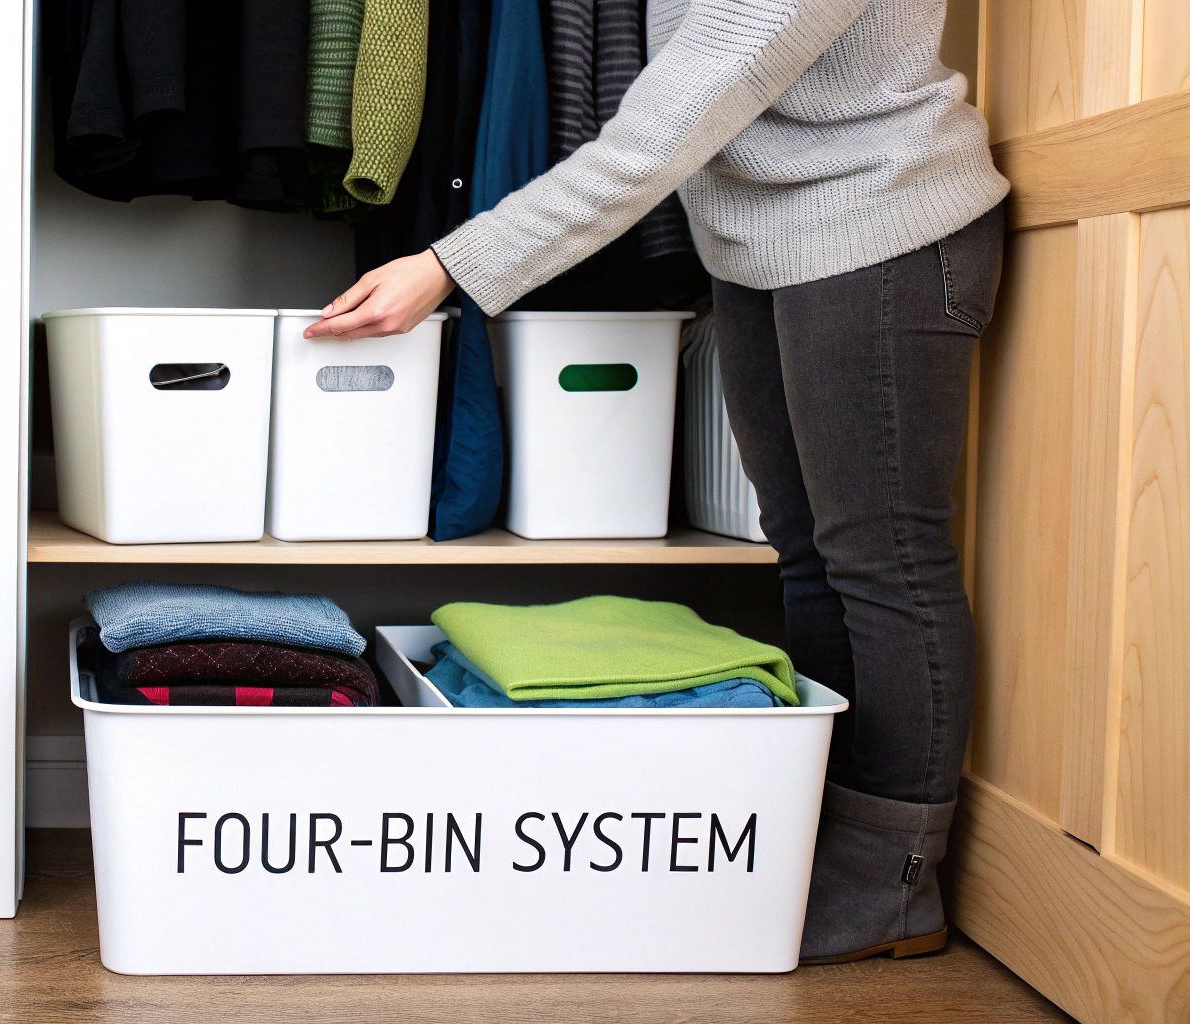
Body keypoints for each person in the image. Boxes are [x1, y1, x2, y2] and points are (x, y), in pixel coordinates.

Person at [306, 0, 1009, 965]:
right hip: (760, 250)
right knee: (805, 557)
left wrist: (447, 265)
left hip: (880, 226)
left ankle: (894, 884)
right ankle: (821, 834)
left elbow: (662, 131)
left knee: (882, 561)